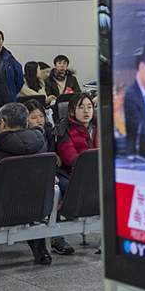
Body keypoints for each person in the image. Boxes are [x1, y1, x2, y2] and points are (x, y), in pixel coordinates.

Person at [0, 103, 52, 268]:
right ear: (26, 124)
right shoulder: (41, 146)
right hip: (35, 208)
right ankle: (38, 246)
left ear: (3, 123)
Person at [50, 93, 99, 255]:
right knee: (55, 189)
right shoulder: (63, 130)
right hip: (73, 176)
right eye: (81, 107)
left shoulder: (101, 125)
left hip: (100, 174)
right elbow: (71, 158)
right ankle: (56, 238)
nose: (86, 111)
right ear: (71, 111)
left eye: (89, 107)